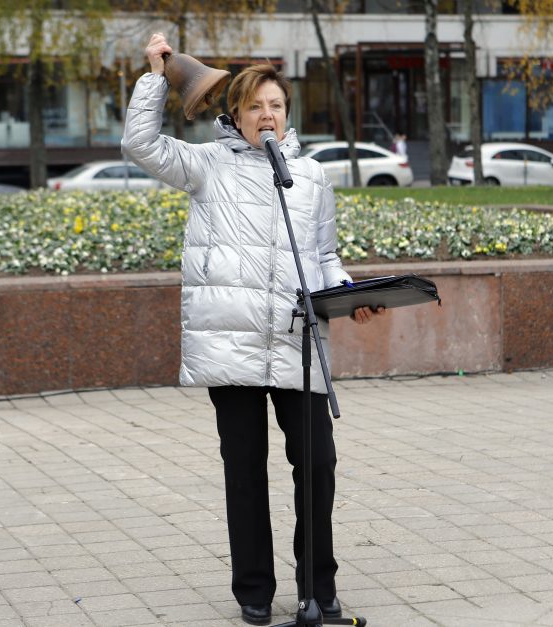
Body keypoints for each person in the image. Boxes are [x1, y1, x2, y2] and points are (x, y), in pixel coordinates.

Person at [122, 34, 385, 626]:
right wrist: (156, 77)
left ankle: (319, 592)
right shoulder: (205, 166)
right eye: (255, 107)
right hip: (231, 343)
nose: (267, 116)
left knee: (317, 466)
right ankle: (255, 594)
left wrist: (349, 295)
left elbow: (324, 255)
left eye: (276, 106)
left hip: (299, 341)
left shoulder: (311, 177)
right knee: (245, 471)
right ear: (234, 115)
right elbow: (138, 143)